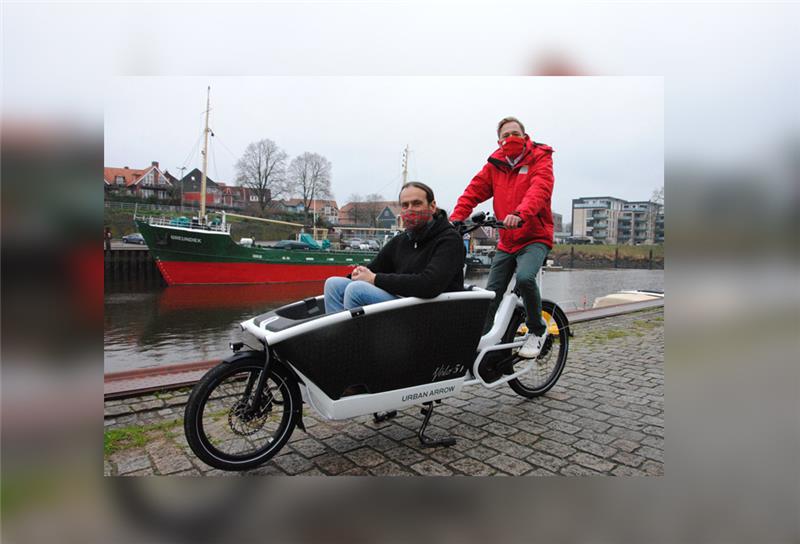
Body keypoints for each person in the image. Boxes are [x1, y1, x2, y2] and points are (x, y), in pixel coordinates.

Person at [450, 116, 555, 358]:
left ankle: (538, 330)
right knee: (491, 294)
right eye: (505, 135)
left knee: (526, 278)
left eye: (515, 133)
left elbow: (540, 189)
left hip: (534, 236)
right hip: (507, 240)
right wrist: (456, 218)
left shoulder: (540, 158)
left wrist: (520, 213)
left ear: (525, 135)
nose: (511, 138)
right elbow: (473, 190)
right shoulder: (495, 165)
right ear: (499, 141)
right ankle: (478, 346)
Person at [324, 181, 465, 313]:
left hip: (433, 311)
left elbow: (429, 284)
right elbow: (375, 268)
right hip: (405, 302)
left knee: (357, 291)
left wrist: (374, 279)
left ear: (432, 206)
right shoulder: (402, 240)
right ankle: (338, 336)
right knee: (334, 285)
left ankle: (356, 338)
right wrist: (358, 274)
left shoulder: (449, 240)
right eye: (405, 205)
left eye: (416, 203)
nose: (410, 210)